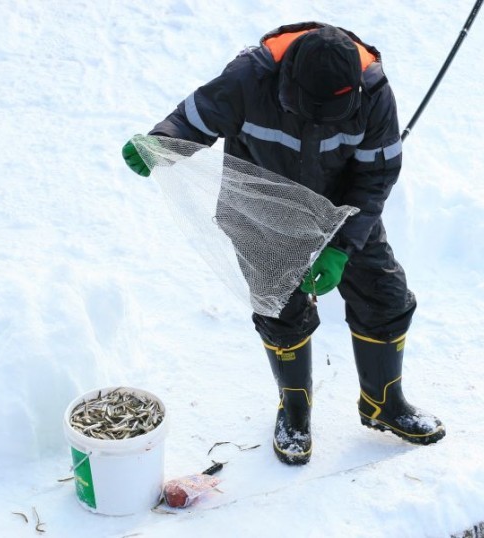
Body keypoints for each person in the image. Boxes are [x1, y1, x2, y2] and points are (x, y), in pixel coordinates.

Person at [122, 22, 445, 465]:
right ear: (288, 80)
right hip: (260, 207)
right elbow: (193, 119)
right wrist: (159, 144)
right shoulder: (249, 77)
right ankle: (294, 412)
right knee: (280, 309)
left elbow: (376, 177)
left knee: (385, 297)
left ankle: (383, 404)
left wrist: (341, 248)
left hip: (340, 208)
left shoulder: (373, 94)